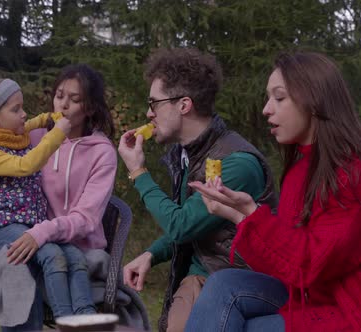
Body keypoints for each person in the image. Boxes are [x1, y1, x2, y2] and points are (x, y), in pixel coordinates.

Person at [186, 52, 361, 331]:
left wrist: (252, 214)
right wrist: (239, 216)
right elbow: (282, 265)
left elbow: (310, 264)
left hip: (350, 307)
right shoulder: (299, 171)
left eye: (279, 97)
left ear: (314, 100)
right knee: (224, 283)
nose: (266, 109)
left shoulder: (354, 173)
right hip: (305, 293)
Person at [117, 48, 278, 332]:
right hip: (203, 278)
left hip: (235, 284)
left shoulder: (236, 163)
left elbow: (181, 225)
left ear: (184, 104)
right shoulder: (187, 155)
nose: (148, 113)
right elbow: (193, 222)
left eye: (154, 103)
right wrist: (151, 254)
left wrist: (139, 173)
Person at [0, 76, 105, 331]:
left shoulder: (9, 134)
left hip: (36, 226)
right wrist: (58, 132)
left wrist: (44, 120)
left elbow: (28, 125)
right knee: (50, 256)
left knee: (72, 255)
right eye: (16, 109)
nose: (23, 114)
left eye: (73, 99)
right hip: (7, 226)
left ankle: (85, 315)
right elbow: (26, 165)